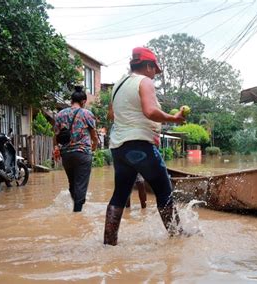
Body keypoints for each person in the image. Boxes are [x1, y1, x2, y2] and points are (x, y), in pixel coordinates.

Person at [103, 47, 186, 246]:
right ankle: (178, 239)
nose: (154, 76)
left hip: (119, 148)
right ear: (148, 66)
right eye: (154, 70)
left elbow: (111, 116)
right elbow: (150, 111)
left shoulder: (118, 85)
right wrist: (173, 118)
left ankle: (109, 243)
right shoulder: (144, 81)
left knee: (120, 194)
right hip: (140, 145)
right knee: (164, 191)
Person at [54, 86, 98, 212]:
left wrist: (56, 148)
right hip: (83, 153)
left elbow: (56, 135)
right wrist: (93, 147)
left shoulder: (60, 114)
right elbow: (94, 136)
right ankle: (77, 213)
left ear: (71, 100)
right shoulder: (87, 114)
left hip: (66, 154)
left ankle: (77, 204)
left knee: (73, 184)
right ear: (83, 101)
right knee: (81, 185)